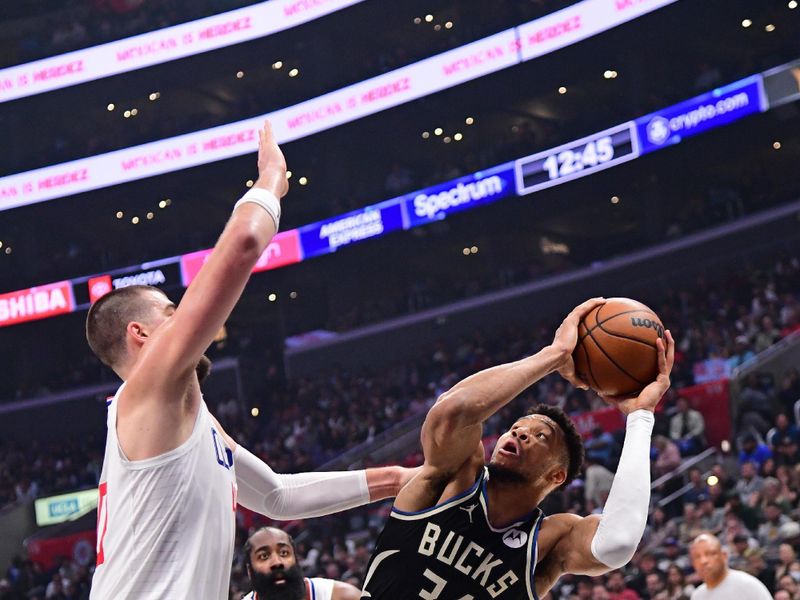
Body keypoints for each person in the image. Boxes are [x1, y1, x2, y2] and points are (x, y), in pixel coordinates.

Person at [85, 122, 411, 598]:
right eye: (172, 315)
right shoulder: (146, 390)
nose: (189, 325)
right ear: (140, 334)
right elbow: (241, 247)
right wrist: (270, 181)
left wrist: (402, 478)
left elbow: (279, 495)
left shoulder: (193, 425)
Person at [360, 299, 675, 599]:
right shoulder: (452, 479)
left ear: (557, 475)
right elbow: (452, 410)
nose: (522, 433)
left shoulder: (552, 541)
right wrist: (552, 356)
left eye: (541, 436)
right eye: (516, 428)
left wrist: (640, 416)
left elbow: (617, 543)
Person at [241, 527, 359, 600]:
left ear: (297, 560)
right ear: (249, 571)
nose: (277, 562)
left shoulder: (341, 596)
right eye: (264, 556)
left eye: (284, 553)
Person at [688, 533, 771, 599]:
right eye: (697, 557)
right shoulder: (698, 595)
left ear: (724, 556)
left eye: (710, 554)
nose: (703, 561)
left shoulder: (747, 585)